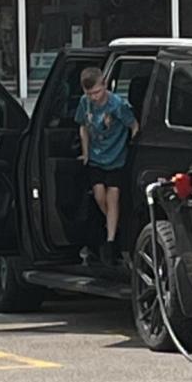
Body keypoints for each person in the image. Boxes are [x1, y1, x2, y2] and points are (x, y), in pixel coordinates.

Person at [75, 66, 139, 265]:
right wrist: (85, 152)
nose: (94, 97)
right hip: (96, 157)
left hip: (117, 157)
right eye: (89, 94)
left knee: (113, 196)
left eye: (97, 92)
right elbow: (83, 127)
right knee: (98, 195)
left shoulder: (117, 105)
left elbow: (134, 125)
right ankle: (116, 225)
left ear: (104, 85)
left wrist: (132, 148)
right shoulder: (84, 104)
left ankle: (110, 241)